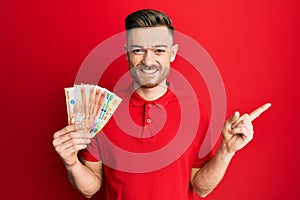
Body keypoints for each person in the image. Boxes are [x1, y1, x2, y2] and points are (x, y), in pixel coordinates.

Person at [52, 9, 271, 200]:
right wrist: (71, 163)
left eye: (158, 50)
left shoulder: (196, 112)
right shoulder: (102, 111)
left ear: (172, 54)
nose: (148, 61)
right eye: (138, 50)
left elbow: (201, 188)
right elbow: (91, 188)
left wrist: (227, 150)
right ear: (127, 52)